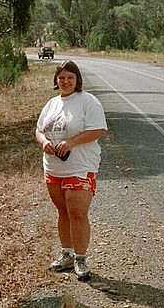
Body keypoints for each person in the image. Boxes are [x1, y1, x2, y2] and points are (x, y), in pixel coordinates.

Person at [35, 60, 108, 281]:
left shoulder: (88, 101)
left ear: (77, 80)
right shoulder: (51, 104)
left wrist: (72, 143)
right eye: (62, 77)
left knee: (77, 213)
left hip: (80, 167)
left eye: (70, 77)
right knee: (63, 211)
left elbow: (99, 130)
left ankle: (80, 259)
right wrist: (43, 142)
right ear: (56, 80)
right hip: (54, 167)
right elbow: (39, 130)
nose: (66, 81)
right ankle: (66, 254)